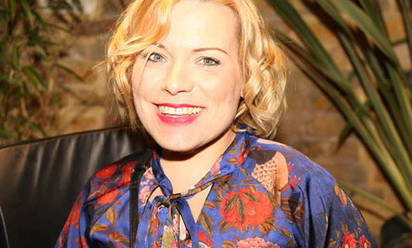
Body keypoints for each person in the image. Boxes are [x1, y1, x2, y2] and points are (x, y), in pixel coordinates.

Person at [55, 0, 377, 247]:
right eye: (155, 55)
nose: (175, 82)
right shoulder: (101, 198)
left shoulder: (299, 189)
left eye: (207, 60)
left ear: (247, 78)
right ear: (128, 69)